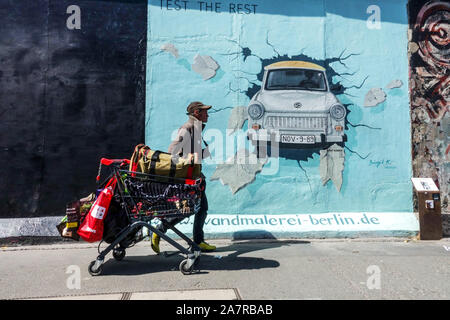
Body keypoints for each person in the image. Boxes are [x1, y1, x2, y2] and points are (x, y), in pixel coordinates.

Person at [151, 101, 216, 253]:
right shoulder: (188, 128)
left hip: (195, 177)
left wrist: (203, 153)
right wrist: (191, 158)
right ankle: (161, 229)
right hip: (188, 180)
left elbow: (192, 153)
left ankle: (198, 241)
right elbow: (173, 150)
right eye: (204, 112)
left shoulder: (196, 128)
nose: (207, 114)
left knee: (200, 209)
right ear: (196, 113)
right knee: (192, 209)